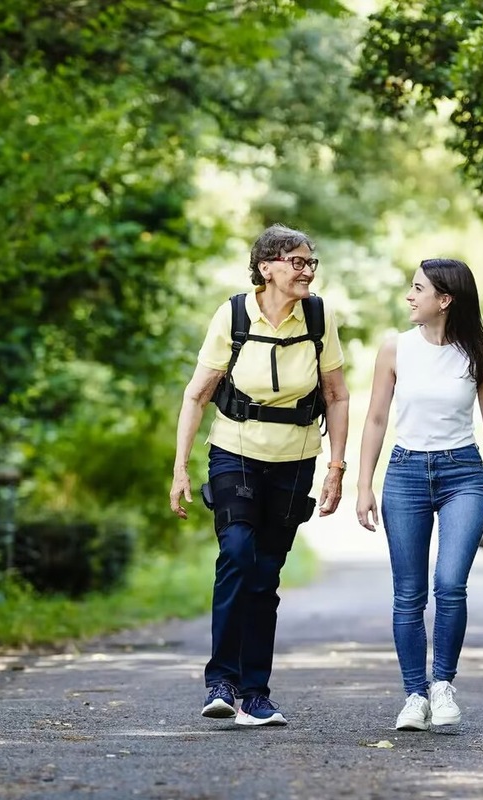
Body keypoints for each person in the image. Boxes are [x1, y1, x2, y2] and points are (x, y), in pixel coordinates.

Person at [169, 223, 350, 727]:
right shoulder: (233, 315)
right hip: (235, 451)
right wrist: (180, 468)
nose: (307, 271)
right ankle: (222, 681)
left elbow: (336, 396)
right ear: (266, 267)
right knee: (237, 553)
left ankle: (255, 694)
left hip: (295, 459)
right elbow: (196, 394)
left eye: (311, 262)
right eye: (297, 262)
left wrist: (337, 468)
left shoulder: (318, 317)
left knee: (266, 574)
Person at [355, 258, 483, 731]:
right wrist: (363, 483)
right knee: (408, 594)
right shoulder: (395, 349)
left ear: (444, 299)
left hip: (464, 477)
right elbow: (375, 420)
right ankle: (414, 694)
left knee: (450, 584)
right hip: (406, 474)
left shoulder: (482, 355)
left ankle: (442, 685)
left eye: (418, 289)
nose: (409, 297)